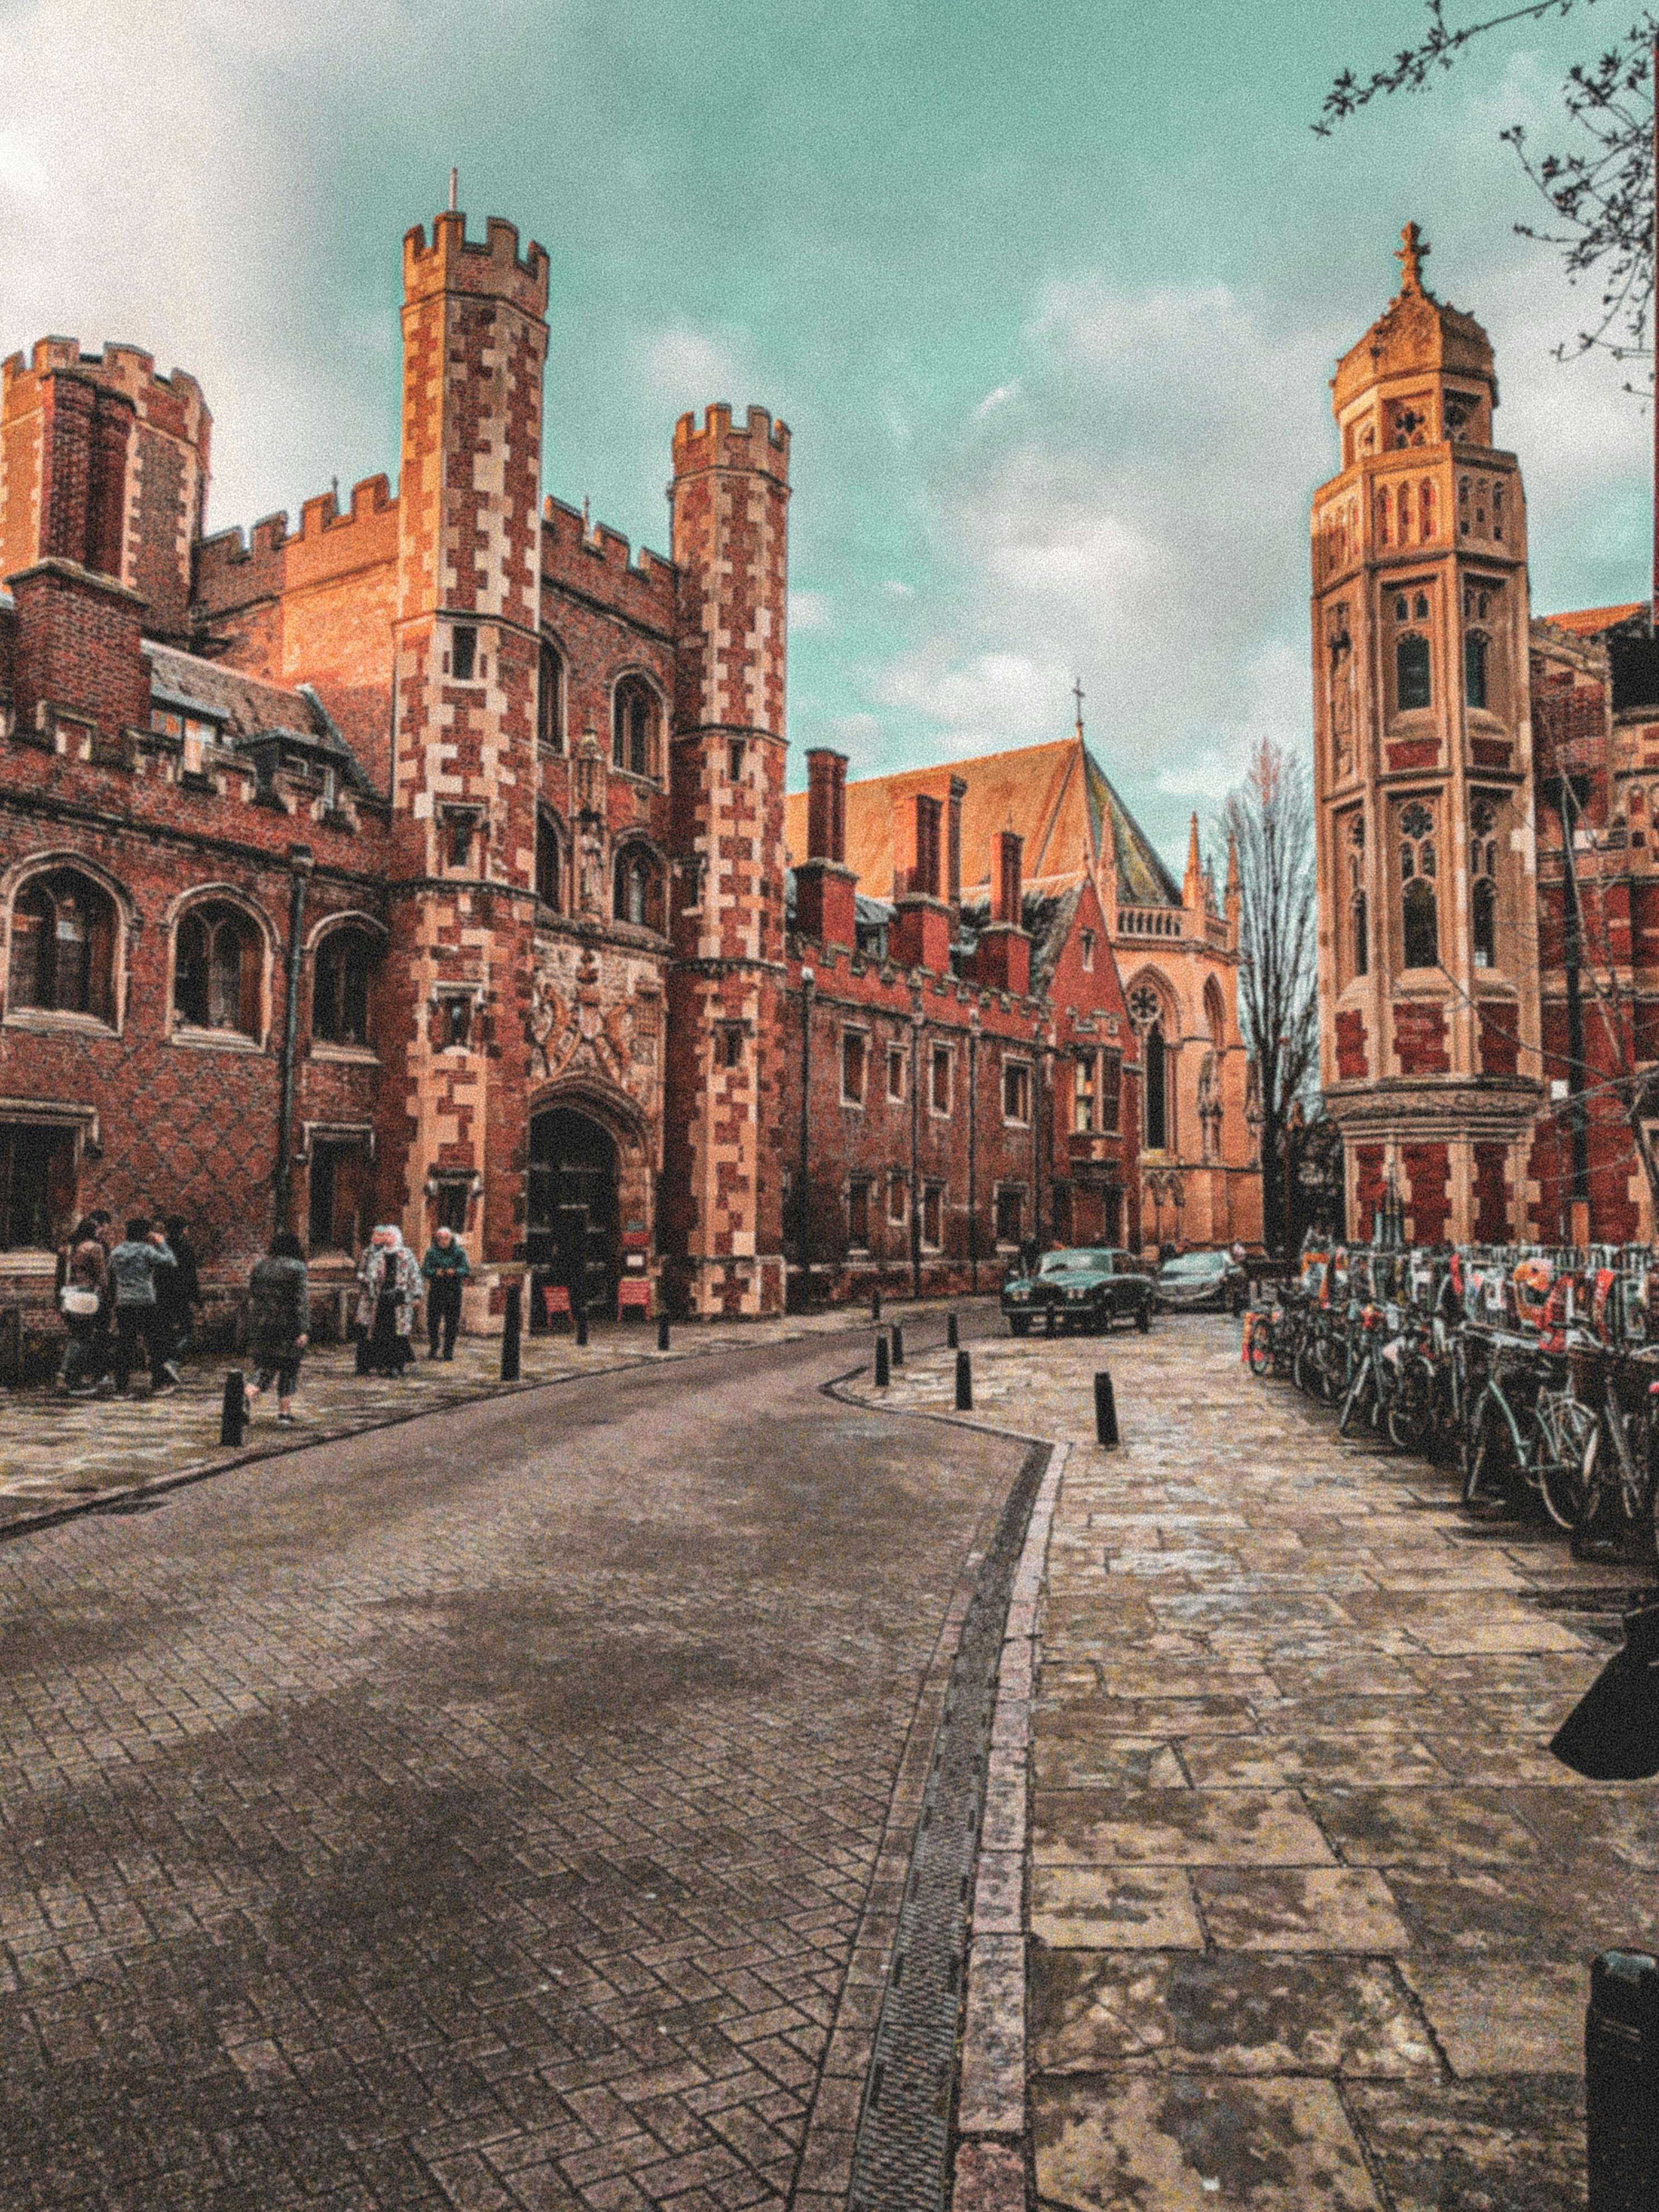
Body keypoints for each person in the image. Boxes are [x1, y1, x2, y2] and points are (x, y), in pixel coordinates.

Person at [245, 1231, 309, 1427]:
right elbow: (300, 1301)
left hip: (261, 1324)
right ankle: (284, 1413)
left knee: (265, 1367)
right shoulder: (297, 1268)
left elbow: (253, 1295)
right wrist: (303, 1329)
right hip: (287, 1325)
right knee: (289, 1368)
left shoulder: (260, 1267)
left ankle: (244, 1396)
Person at [108, 1218, 177, 1396]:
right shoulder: (147, 1251)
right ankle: (158, 1383)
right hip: (146, 1301)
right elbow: (170, 1262)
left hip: (124, 1302)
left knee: (125, 1344)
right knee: (154, 1343)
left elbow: (110, 1273)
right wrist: (162, 1244)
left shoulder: (117, 1251)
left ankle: (121, 1387)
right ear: (146, 1233)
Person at [54, 1216, 109, 1397]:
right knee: (84, 1338)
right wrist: (107, 1295)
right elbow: (101, 1276)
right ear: (92, 1232)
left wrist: (58, 1299)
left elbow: (59, 1277)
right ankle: (73, 1379)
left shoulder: (66, 1250)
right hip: (86, 1295)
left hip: (68, 1294)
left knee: (76, 1336)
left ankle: (65, 1373)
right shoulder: (94, 1248)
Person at [357, 1225, 421, 1375]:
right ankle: (383, 1364)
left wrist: (416, 1295)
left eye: (389, 1235)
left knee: (398, 1333)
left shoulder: (406, 1254)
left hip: (400, 1299)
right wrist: (371, 1285)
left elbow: (415, 1275)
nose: (386, 1238)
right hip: (382, 1298)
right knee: (383, 1332)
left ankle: (397, 1366)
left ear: (396, 1237)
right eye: (384, 1235)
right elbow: (371, 1275)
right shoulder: (378, 1255)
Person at [153, 1213, 204, 1382]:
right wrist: (197, 1298)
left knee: (165, 1330)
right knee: (188, 1332)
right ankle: (172, 1360)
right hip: (181, 1293)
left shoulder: (160, 1247)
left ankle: (164, 1364)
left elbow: (157, 1272)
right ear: (183, 1230)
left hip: (163, 1293)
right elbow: (191, 1275)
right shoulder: (186, 1248)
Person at [421, 1226, 470, 1360]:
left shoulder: (459, 1252)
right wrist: (434, 1272)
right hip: (436, 1291)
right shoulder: (431, 1252)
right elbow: (425, 1269)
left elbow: (466, 1270)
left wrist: (455, 1272)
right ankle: (434, 1346)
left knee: (452, 1323)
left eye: (446, 1238)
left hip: (453, 1292)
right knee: (433, 1322)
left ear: (451, 1239)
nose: (443, 1241)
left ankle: (448, 1351)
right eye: (440, 1238)